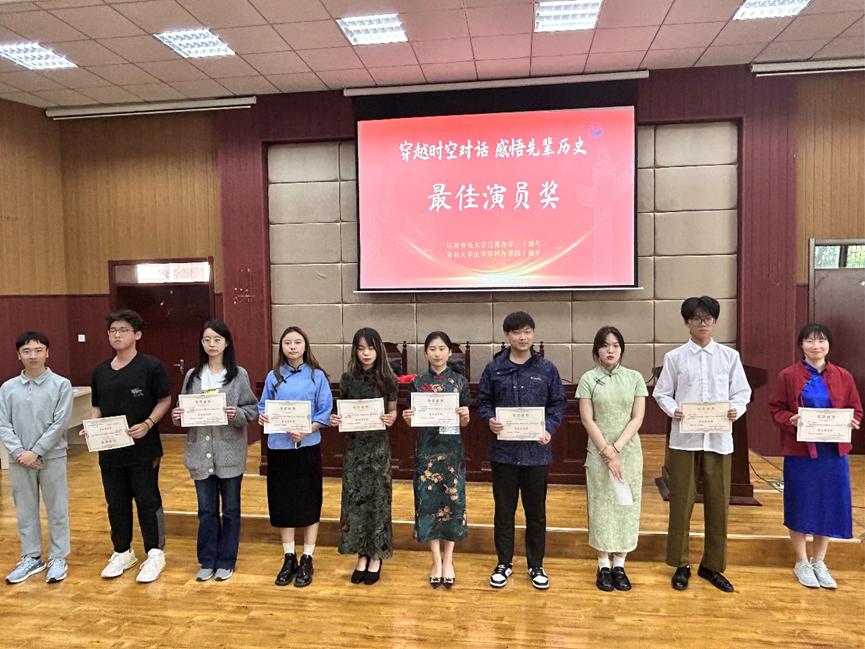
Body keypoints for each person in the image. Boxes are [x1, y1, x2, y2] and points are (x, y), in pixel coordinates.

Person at [653, 296, 751, 593]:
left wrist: (736, 409)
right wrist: (674, 410)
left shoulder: (729, 357)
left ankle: (712, 565)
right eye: (696, 318)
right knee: (681, 502)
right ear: (687, 322)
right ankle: (680, 563)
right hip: (685, 440)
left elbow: (742, 392)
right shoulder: (675, 358)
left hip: (719, 440)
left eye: (708, 318)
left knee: (719, 503)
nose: (703, 323)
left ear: (715, 321)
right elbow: (661, 393)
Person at [768, 323, 862, 589]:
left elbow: (856, 409)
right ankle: (801, 561)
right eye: (809, 341)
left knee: (828, 504)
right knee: (801, 502)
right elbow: (775, 409)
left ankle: (819, 561)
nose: (816, 346)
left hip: (833, 453)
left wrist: (852, 421)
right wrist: (791, 419)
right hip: (800, 452)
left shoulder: (843, 376)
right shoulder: (788, 375)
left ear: (828, 345)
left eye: (821, 341)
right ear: (801, 345)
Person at [477, 311, 567, 590]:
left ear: (533, 333)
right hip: (503, 453)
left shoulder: (547, 369)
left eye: (527, 331)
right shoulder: (494, 369)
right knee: (504, 511)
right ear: (507, 336)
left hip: (536, 454)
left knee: (536, 513)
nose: (523, 337)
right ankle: (503, 563)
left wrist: (549, 429)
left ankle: (535, 564)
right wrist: (490, 419)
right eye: (517, 332)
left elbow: (557, 404)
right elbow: (483, 402)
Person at [171, 320, 258, 583]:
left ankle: (227, 561)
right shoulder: (193, 375)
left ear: (226, 343)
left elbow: (252, 409)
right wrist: (177, 416)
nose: (211, 344)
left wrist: (236, 413)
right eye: (207, 339)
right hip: (200, 453)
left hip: (229, 453)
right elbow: (183, 411)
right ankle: (207, 560)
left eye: (217, 339)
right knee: (206, 510)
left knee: (230, 510)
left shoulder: (238, 375)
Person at [89, 310, 172, 583]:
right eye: (113, 331)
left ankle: (155, 552)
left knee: (147, 500)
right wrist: (92, 427)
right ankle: (122, 551)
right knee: (116, 503)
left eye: (123, 330)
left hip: (143, 449)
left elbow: (164, 399)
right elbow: (97, 406)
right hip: (110, 450)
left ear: (137, 334)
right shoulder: (100, 371)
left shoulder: (151, 366)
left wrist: (148, 423)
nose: (117, 335)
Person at [258, 326, 332, 588]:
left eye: (297, 342)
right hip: (279, 448)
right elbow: (263, 406)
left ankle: (307, 557)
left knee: (309, 501)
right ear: (281, 347)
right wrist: (263, 416)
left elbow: (325, 410)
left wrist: (308, 429)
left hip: (307, 447)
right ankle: (288, 556)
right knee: (283, 502)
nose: (292, 347)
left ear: (305, 345)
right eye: (287, 342)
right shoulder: (274, 376)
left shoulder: (317, 376)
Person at [576, 326, 647, 592]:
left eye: (615, 345)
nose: (610, 350)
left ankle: (620, 564)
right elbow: (587, 419)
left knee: (626, 505)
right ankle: (603, 564)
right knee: (601, 505)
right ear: (597, 350)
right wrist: (606, 450)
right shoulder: (588, 379)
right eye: (605, 345)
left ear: (621, 349)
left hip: (628, 451)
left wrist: (616, 448)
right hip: (598, 452)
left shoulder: (635, 378)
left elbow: (637, 418)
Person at [1, 331, 73, 584]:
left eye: (38, 350)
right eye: (27, 351)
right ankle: (31, 556)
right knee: (25, 509)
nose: (33, 355)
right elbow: (3, 424)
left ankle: (58, 556)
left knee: (57, 508)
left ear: (47, 353)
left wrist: (37, 451)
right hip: (19, 459)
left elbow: (60, 423)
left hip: (52, 457)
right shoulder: (8, 388)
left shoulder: (61, 385)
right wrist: (20, 453)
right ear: (18, 355)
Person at [329, 327, 398, 585]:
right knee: (355, 502)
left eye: (370, 348)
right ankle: (361, 554)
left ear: (378, 350)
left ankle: (377, 555)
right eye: (360, 349)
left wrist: (391, 418)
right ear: (355, 352)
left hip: (378, 449)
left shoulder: (388, 379)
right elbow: (342, 411)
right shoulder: (348, 379)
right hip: (354, 449)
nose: (366, 353)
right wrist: (336, 419)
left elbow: (392, 412)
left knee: (378, 501)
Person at [402, 331, 470, 589]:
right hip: (427, 451)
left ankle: (449, 559)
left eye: (442, 348)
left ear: (450, 352)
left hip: (452, 451)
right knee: (428, 502)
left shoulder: (460, 382)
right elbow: (414, 420)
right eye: (432, 349)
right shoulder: (418, 382)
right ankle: (435, 561)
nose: (438, 353)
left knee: (453, 501)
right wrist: (408, 419)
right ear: (426, 353)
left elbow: (465, 422)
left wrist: (465, 416)